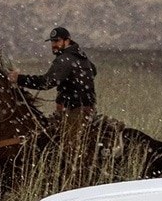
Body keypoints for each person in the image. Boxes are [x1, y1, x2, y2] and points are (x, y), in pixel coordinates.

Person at [8, 26, 98, 186]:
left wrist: (19, 79)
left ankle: (74, 184)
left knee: (69, 150)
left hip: (76, 111)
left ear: (67, 40)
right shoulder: (80, 56)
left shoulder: (66, 58)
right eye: (52, 42)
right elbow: (93, 70)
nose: (54, 45)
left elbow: (46, 82)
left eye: (57, 41)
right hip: (82, 108)